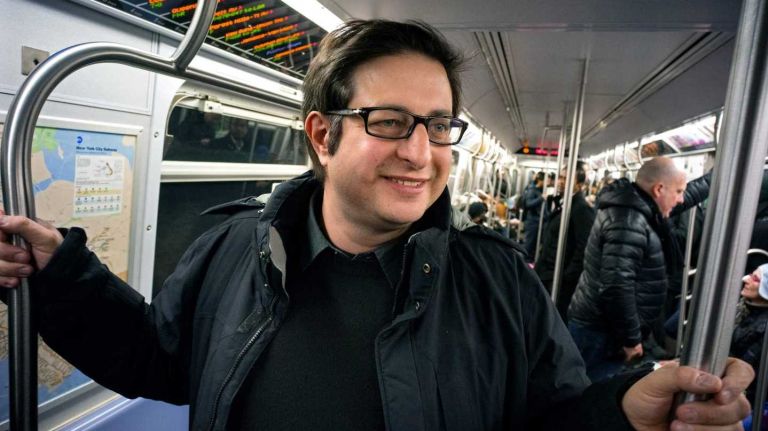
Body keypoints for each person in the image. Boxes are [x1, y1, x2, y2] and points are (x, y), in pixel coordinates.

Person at [0, 20, 752, 430]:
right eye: (390, 122)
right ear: (322, 137)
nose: (420, 154)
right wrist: (63, 274)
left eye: (437, 125)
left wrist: (623, 407)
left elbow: (551, 418)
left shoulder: (495, 283)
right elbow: (156, 357)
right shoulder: (235, 247)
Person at [568, 157, 711, 382]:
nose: (681, 199)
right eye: (678, 191)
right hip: (600, 331)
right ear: (659, 189)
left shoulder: (639, 207)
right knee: (586, 393)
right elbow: (616, 284)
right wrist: (631, 339)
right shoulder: (629, 221)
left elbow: (687, 196)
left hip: (605, 327)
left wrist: (720, 174)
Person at [535, 161, 596, 321]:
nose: (561, 182)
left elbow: (583, 247)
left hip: (559, 278)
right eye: (561, 177)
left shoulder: (581, 208)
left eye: (567, 179)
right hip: (549, 272)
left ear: (580, 184)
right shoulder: (564, 203)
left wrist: (566, 277)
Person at [731, 263, 768, 402]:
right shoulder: (746, 308)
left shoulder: (763, 328)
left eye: (755, 279)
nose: (746, 278)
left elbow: (745, 369)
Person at [521, 171, 545, 260]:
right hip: (532, 221)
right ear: (540, 181)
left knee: (533, 246)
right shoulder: (532, 190)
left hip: (536, 221)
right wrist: (541, 198)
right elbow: (528, 204)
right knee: (528, 244)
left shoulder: (538, 190)